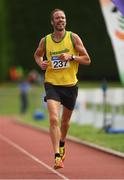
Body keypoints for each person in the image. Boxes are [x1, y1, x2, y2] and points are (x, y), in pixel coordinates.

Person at [34, 8, 91, 169]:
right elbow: (37, 55)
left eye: (63, 18)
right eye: (58, 18)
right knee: (53, 118)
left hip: (70, 86)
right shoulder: (45, 40)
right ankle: (57, 156)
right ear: (52, 22)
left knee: (65, 122)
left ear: (65, 21)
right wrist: (41, 63)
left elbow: (87, 59)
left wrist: (71, 57)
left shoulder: (73, 38)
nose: (61, 20)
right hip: (52, 84)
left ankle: (62, 142)